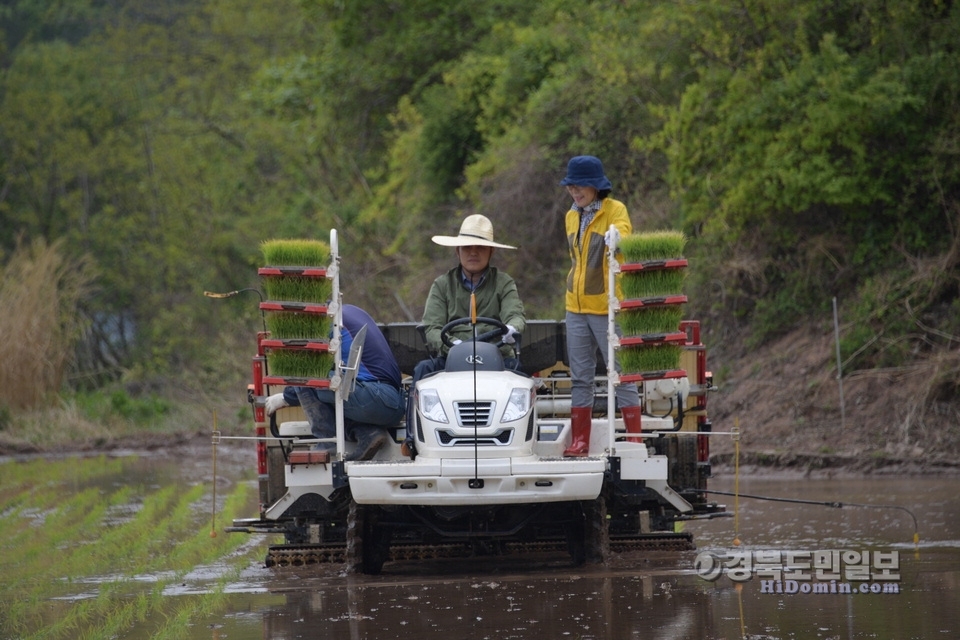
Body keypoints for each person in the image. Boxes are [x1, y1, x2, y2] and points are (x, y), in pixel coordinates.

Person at [403, 214, 527, 457]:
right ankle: (412, 440)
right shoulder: (441, 284)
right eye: (467, 247)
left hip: (496, 357)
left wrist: (512, 328)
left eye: (480, 247)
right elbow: (432, 327)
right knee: (422, 372)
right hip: (451, 358)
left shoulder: (504, 282)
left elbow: (516, 315)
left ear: (490, 252)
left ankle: (519, 441)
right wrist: (454, 345)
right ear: (457, 250)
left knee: (521, 375)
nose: (473, 252)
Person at [560, 155, 642, 456]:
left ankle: (634, 438)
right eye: (571, 186)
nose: (574, 192)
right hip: (575, 307)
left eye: (579, 186)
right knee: (580, 377)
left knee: (620, 373)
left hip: (607, 308)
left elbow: (625, 234)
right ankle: (580, 440)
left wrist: (616, 236)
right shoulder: (570, 216)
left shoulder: (614, 209)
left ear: (595, 186)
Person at [264, 304, 404, 461]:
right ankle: (367, 433)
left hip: (375, 397)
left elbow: (312, 375)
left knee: (304, 370)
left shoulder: (327, 325)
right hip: (392, 403)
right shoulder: (349, 311)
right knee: (335, 391)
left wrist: (285, 397)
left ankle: (326, 440)